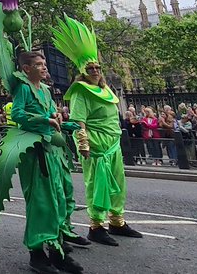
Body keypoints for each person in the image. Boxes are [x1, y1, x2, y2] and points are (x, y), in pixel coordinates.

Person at [55, 17, 142, 247]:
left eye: (97, 67)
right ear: (82, 71)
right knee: (97, 184)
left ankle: (117, 221)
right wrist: (82, 142)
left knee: (117, 183)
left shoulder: (105, 89)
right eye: (90, 68)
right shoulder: (81, 92)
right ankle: (96, 226)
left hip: (112, 144)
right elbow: (78, 120)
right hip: (95, 145)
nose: (94, 71)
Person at [8, 51, 84, 274]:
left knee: (59, 198)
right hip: (35, 151)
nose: (44, 67)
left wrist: (64, 123)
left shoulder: (46, 91)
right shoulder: (23, 89)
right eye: (39, 64)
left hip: (52, 149)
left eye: (44, 64)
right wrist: (43, 120)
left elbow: (53, 116)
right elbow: (18, 115)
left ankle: (56, 250)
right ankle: (37, 253)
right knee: (42, 203)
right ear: (26, 69)